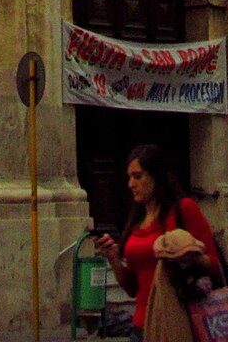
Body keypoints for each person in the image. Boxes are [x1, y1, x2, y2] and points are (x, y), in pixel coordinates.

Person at [91, 145, 220, 341]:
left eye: (138, 176)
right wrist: (114, 259)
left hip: (175, 325)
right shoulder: (136, 221)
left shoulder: (183, 209)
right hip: (140, 328)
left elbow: (215, 265)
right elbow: (133, 288)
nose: (131, 184)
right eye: (129, 177)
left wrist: (187, 255)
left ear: (156, 176)